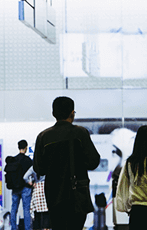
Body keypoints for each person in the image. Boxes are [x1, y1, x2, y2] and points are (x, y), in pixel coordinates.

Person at [33, 96, 101, 230]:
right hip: (77, 195)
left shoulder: (43, 137)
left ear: (54, 114)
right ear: (72, 113)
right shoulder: (80, 133)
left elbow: (38, 168)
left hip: (54, 195)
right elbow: (93, 161)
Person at [9, 140, 34, 230]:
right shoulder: (28, 160)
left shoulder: (13, 159)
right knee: (26, 209)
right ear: (26, 147)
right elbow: (32, 173)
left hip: (15, 188)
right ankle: (28, 228)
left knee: (13, 209)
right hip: (26, 188)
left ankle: (13, 228)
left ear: (18, 147)